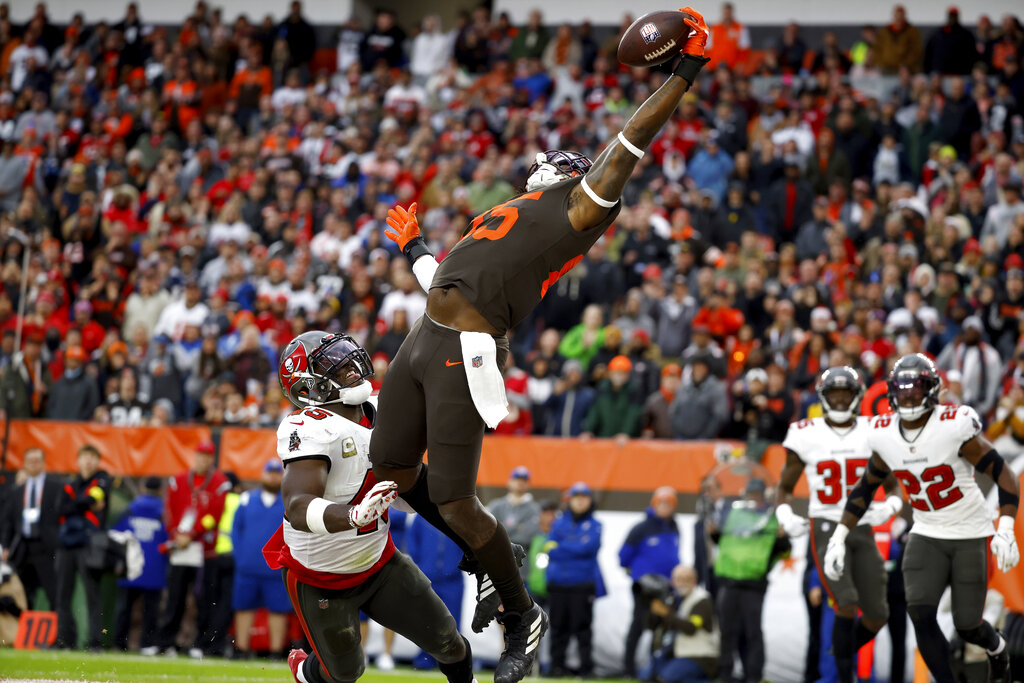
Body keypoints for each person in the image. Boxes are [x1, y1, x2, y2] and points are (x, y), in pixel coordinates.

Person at [371, 10, 711, 681]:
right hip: (422, 336)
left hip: (461, 348)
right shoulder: (514, 211)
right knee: (393, 473)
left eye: (546, 163)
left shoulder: (580, 207)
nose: (534, 166)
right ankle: (494, 558)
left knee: (459, 499)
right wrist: (413, 249)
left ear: (570, 174)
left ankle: (522, 613)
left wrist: (685, 73)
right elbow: (450, 277)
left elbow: (630, 141)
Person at [264, 331, 475, 683]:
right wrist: (352, 515)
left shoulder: (382, 409)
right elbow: (298, 506)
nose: (349, 366)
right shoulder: (308, 428)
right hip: (320, 576)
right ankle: (305, 670)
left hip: (379, 563)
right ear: (307, 387)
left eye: (347, 357)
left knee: (448, 641)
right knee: (344, 673)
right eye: (332, 364)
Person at [822, 353, 1020, 683]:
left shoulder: (953, 425)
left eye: (917, 388)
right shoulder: (884, 433)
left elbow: (1005, 475)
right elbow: (865, 487)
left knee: (968, 624)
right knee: (920, 611)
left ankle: (997, 649)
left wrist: (1006, 527)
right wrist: (839, 534)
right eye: (902, 389)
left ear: (932, 389)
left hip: (969, 530)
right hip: (926, 531)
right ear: (891, 392)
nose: (910, 395)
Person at [777, 367, 902, 683]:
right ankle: (845, 677)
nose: (841, 399)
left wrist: (892, 505)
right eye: (835, 394)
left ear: (857, 396)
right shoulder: (805, 432)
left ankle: (841, 652)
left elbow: (894, 485)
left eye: (846, 393)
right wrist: (783, 513)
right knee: (845, 603)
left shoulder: (873, 430)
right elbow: (785, 485)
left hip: (862, 525)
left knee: (877, 614)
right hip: (826, 525)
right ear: (823, 397)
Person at [710, 478, 790, 683]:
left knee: (752, 633)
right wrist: (714, 532)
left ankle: (753, 676)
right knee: (727, 632)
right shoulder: (734, 514)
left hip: (754, 584)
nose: (753, 497)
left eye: (757, 494)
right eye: (750, 494)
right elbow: (722, 540)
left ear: (764, 495)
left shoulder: (771, 517)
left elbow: (784, 549)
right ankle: (725, 674)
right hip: (728, 581)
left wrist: (782, 538)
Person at [156, 440, 229, 657]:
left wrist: (192, 534)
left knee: (203, 600)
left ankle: (202, 644)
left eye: (207, 456)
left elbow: (214, 516)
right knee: (174, 598)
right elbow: (168, 509)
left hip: (203, 550)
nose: (202, 460)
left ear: (212, 459)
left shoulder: (219, 483)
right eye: (199, 455)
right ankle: (166, 643)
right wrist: (176, 534)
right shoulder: (177, 481)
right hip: (180, 547)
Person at [54, 444, 112, 651]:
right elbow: (60, 508)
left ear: (98, 461)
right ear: (78, 460)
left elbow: (93, 498)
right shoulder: (70, 483)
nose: (88, 461)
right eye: (84, 457)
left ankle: (95, 642)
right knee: (62, 595)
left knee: (92, 595)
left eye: (92, 457)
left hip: (90, 545)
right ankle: (64, 640)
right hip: (66, 545)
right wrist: (83, 504)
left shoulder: (103, 479)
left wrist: (77, 504)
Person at [620, 486, 682, 677]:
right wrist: (640, 576)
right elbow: (623, 557)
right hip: (645, 589)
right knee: (638, 626)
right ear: (654, 504)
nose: (664, 507)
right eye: (661, 503)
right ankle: (628, 669)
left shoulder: (674, 527)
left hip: (666, 589)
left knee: (663, 629)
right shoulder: (641, 528)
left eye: (668, 503)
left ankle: (657, 670)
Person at [232, 460, 290, 660]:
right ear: (263, 474)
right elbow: (236, 530)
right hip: (247, 568)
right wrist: (240, 557)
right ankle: (240, 649)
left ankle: (275, 652)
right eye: (270, 472)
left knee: (278, 610)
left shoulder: (289, 501)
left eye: (277, 473)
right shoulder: (247, 499)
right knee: (243, 608)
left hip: (275, 569)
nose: (273, 476)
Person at [546, 482, 602, 678]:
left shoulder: (596, 525)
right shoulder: (558, 523)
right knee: (557, 628)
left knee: (582, 629)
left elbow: (587, 549)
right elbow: (549, 548)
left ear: (589, 500)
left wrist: (562, 548)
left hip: (582, 585)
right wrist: (574, 547)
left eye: (583, 497)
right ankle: (556, 667)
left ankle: (587, 669)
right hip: (559, 584)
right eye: (575, 497)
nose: (579, 501)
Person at [0, 447, 61, 611]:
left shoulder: (56, 487)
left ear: (43, 462)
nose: (33, 464)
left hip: (46, 547)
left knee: (54, 594)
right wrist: (5, 546)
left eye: (37, 460)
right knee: (22, 594)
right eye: (30, 460)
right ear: (25, 464)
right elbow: (8, 522)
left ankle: (58, 635)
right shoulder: (17, 491)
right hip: (22, 548)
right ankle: (23, 634)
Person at [112, 476, 167, 654]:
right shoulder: (164, 511)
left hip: (131, 566)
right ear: (160, 490)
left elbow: (116, 534)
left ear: (143, 488)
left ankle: (119, 643)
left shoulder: (130, 508)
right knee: (151, 610)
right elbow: (169, 537)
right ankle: (148, 644)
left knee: (124, 608)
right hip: (155, 567)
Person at [406, 512, 466, 670]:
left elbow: (468, 543)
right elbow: (412, 540)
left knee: (452, 622)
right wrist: (422, 565)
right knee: (426, 621)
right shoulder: (422, 515)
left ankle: (452, 662)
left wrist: (458, 564)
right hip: (428, 578)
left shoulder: (459, 516)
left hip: (452, 580)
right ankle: (424, 659)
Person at [645, 565, 719, 683]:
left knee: (667, 678)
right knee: (647, 676)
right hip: (678, 654)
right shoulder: (675, 599)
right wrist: (652, 609)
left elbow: (691, 628)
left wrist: (666, 613)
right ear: (672, 581)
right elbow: (651, 627)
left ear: (695, 581)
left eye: (687, 579)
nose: (682, 583)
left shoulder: (702, 600)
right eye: (679, 579)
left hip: (701, 657)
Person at [487, 466, 541, 581]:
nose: (520, 483)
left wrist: (503, 529)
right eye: (517, 479)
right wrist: (518, 527)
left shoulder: (534, 509)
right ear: (509, 482)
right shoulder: (497, 505)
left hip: (522, 571)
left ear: (528, 484)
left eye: (524, 481)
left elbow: (527, 537)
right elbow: (489, 533)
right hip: (497, 568)